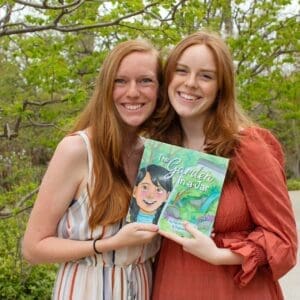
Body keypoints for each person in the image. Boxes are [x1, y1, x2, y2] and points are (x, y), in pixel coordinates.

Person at [150, 30, 298, 299]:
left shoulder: (247, 145)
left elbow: (284, 243)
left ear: (221, 87)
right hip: (172, 285)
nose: (191, 83)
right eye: (181, 71)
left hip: (234, 290)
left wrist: (220, 255)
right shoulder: (158, 150)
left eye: (206, 76)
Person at [22, 39, 163, 300]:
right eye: (120, 81)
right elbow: (33, 248)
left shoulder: (156, 157)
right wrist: (110, 245)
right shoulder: (77, 150)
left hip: (143, 286)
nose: (132, 92)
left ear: (160, 90)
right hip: (86, 289)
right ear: (106, 89)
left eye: (145, 81)